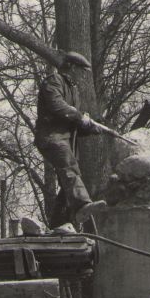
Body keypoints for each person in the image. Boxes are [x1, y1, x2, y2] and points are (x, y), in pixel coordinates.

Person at [34, 51, 105, 230]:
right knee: (69, 166)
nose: (83, 77)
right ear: (71, 67)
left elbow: (73, 123)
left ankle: (58, 225)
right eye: (81, 71)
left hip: (65, 139)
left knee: (67, 184)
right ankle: (81, 205)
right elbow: (58, 107)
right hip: (51, 137)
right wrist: (80, 116)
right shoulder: (54, 81)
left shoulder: (73, 89)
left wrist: (90, 128)